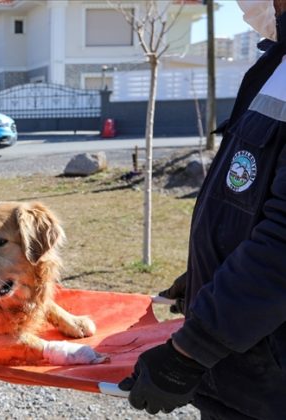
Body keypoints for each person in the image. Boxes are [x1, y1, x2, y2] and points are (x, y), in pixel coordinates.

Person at [119, 1, 286, 418]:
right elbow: (250, 200)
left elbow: (282, 247)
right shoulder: (277, 66)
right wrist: (204, 279)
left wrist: (190, 353)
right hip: (243, 371)